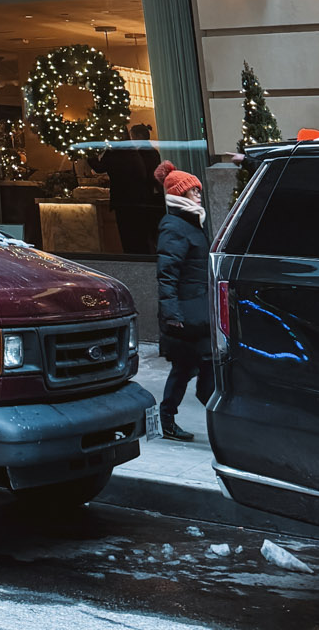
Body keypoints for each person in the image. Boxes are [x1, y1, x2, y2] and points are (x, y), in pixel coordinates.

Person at [155, 164, 212, 442]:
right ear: (180, 195)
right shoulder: (174, 227)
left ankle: (168, 419)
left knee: (186, 368)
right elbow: (167, 274)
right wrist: (172, 314)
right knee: (197, 367)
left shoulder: (192, 223)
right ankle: (172, 418)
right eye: (193, 191)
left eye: (198, 191)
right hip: (186, 315)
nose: (198, 195)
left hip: (197, 310)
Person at [98, 122, 164, 255]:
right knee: (143, 237)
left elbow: (100, 167)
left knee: (131, 238)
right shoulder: (142, 153)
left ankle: (138, 258)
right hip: (142, 200)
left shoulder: (124, 152)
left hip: (128, 201)